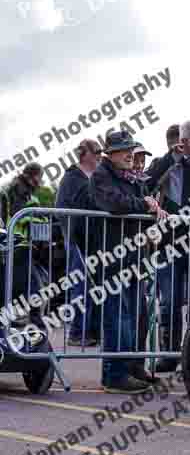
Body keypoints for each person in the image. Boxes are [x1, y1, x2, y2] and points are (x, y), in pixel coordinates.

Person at [90, 130, 167, 394]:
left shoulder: (131, 177)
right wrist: (144, 205)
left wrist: (153, 207)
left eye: (130, 149)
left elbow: (141, 202)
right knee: (118, 316)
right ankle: (115, 374)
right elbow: (113, 203)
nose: (129, 154)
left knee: (138, 315)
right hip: (111, 258)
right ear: (109, 154)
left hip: (134, 256)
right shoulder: (102, 175)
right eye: (123, 150)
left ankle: (134, 366)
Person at [145, 121, 190, 373]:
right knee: (169, 300)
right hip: (169, 243)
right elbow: (146, 182)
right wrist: (171, 156)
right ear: (183, 142)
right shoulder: (167, 164)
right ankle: (169, 354)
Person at [56, 139, 102, 346]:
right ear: (85, 154)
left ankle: (88, 330)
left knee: (90, 286)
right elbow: (63, 211)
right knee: (80, 286)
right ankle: (77, 332)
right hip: (76, 239)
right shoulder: (72, 177)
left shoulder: (90, 177)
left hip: (89, 240)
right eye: (97, 152)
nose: (100, 156)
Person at [0, 162, 43, 228]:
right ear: (31, 176)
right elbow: (17, 212)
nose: (39, 180)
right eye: (39, 176)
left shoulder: (21, 185)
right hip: (11, 230)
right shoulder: (20, 188)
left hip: (10, 228)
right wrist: (36, 213)